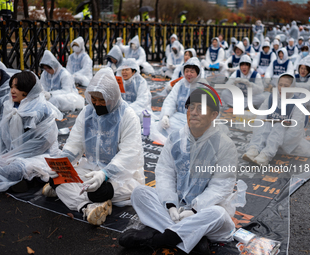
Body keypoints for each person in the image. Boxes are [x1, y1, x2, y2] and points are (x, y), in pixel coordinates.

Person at [119, 88, 247, 254]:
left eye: (200, 109)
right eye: (191, 107)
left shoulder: (224, 145)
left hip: (203, 212)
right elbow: (165, 172)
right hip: (176, 208)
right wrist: (171, 204)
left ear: (214, 115)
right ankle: (191, 239)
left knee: (218, 214)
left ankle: (158, 239)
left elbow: (221, 186)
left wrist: (194, 210)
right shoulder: (176, 138)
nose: (193, 113)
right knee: (139, 193)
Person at [42, 68, 145, 225]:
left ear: (112, 97)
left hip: (121, 175)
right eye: (94, 99)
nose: (96, 104)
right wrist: (61, 163)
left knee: (100, 191)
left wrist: (105, 174)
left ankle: (85, 198)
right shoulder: (87, 113)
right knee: (56, 180)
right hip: (91, 169)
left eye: (101, 100)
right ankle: (89, 207)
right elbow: (74, 143)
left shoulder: (127, 116)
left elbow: (128, 154)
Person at [0, 71, 62, 192]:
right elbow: (4, 136)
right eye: (11, 87)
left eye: (17, 87)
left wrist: (14, 157)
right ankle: (24, 180)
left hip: (40, 155)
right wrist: (7, 155)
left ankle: (27, 179)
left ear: (29, 90)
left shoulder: (41, 110)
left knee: (15, 169)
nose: (13, 91)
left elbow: (44, 142)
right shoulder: (10, 106)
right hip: (15, 154)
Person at [242, 73, 310, 166]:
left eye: (286, 86)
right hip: (268, 134)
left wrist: (278, 143)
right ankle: (254, 149)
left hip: (286, 139)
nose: (282, 88)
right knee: (266, 123)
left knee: (279, 125)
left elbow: (295, 131)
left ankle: (266, 155)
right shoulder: (271, 98)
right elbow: (260, 117)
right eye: (280, 85)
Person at [158, 57, 203, 139]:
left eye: (192, 72)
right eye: (187, 71)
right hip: (179, 118)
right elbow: (171, 100)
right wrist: (166, 115)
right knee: (161, 126)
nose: (189, 74)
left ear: (198, 73)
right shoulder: (180, 84)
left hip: (196, 121)